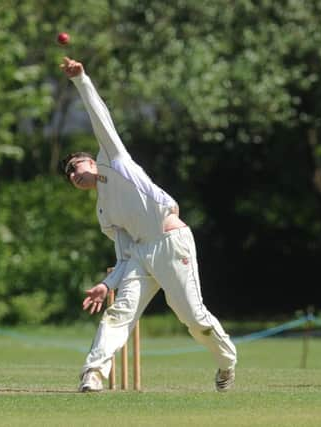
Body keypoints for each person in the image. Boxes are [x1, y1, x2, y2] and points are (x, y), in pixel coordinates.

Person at [59, 57, 237, 393]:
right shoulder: (103, 212)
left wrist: (80, 79)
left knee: (193, 319)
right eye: (69, 175)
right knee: (119, 313)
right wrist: (106, 283)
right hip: (141, 254)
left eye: (75, 164)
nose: (74, 173)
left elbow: (101, 119)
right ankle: (93, 373)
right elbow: (125, 255)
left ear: (89, 159)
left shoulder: (114, 160)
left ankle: (227, 362)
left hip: (171, 241)